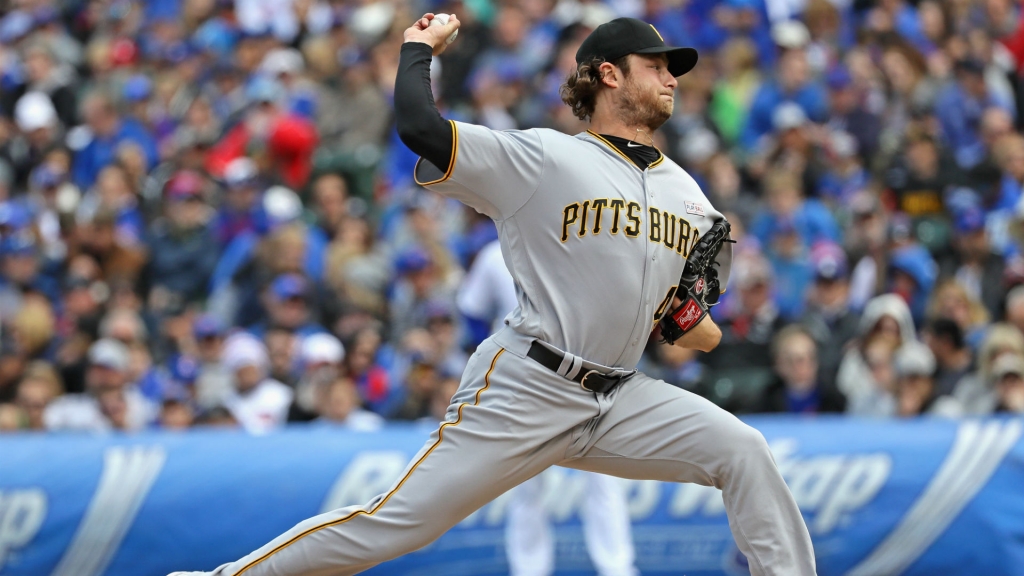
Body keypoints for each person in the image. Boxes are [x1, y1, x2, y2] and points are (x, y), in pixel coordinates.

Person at [171, 15, 814, 576]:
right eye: (657, 66)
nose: (673, 78)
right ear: (610, 75)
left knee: (743, 451)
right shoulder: (543, 159)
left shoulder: (690, 197)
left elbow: (694, 330)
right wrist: (417, 52)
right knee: (396, 524)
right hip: (528, 386)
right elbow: (422, 129)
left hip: (620, 394)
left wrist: (685, 318)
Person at [755, 325, 846, 414]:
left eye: (810, 358)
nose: (801, 367)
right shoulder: (766, 401)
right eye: (791, 360)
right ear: (779, 364)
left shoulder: (834, 400)